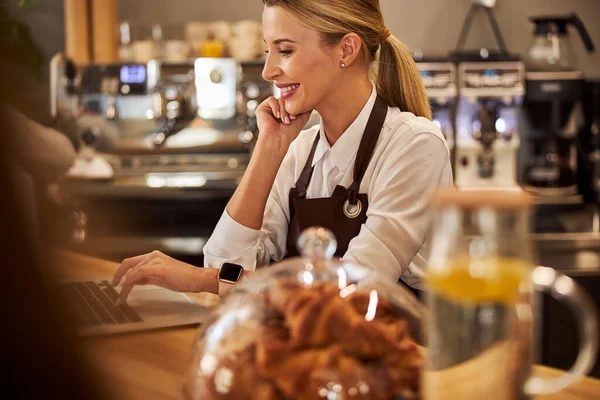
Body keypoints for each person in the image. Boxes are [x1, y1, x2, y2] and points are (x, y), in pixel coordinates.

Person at [112, 0, 453, 303]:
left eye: (285, 51)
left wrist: (202, 280)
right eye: (268, 52)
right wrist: (270, 147)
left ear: (346, 50)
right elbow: (223, 267)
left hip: (406, 360)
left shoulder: (415, 146)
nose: (268, 71)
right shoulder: (301, 149)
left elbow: (351, 291)